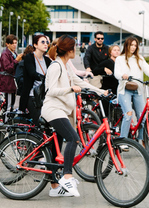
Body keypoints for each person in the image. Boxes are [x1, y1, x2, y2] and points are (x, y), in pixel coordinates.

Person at [42, 35, 106, 197]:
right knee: (73, 138)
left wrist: (101, 92)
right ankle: (67, 176)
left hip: (61, 110)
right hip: (53, 109)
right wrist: (70, 89)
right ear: (69, 50)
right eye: (74, 48)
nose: (76, 51)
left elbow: (80, 82)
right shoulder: (56, 66)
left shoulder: (66, 66)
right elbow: (50, 90)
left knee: (54, 149)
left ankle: (55, 187)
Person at [114, 37, 149, 140]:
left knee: (143, 117)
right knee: (128, 114)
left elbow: (148, 71)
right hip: (124, 89)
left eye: (135, 45)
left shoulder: (139, 58)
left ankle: (141, 140)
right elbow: (116, 73)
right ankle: (123, 140)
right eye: (131, 45)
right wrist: (123, 75)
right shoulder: (120, 58)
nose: (133, 47)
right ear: (126, 45)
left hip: (138, 90)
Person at [18, 34, 53, 123]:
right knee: (39, 122)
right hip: (32, 96)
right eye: (42, 42)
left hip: (44, 96)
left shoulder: (47, 60)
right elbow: (32, 73)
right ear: (35, 45)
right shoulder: (29, 58)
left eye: (47, 42)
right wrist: (46, 78)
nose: (46, 44)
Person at [91, 44, 120, 118]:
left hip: (118, 90)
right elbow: (94, 71)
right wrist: (103, 69)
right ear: (110, 52)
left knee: (118, 113)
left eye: (118, 50)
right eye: (114, 50)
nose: (117, 52)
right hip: (107, 90)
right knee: (105, 113)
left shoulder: (121, 63)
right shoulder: (107, 62)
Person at [0, 34, 19, 112]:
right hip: (7, 83)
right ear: (7, 44)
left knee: (12, 103)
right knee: (9, 105)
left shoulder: (14, 53)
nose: (14, 45)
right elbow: (8, 68)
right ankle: (6, 121)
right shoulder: (5, 54)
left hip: (12, 83)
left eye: (15, 43)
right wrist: (16, 60)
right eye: (12, 43)